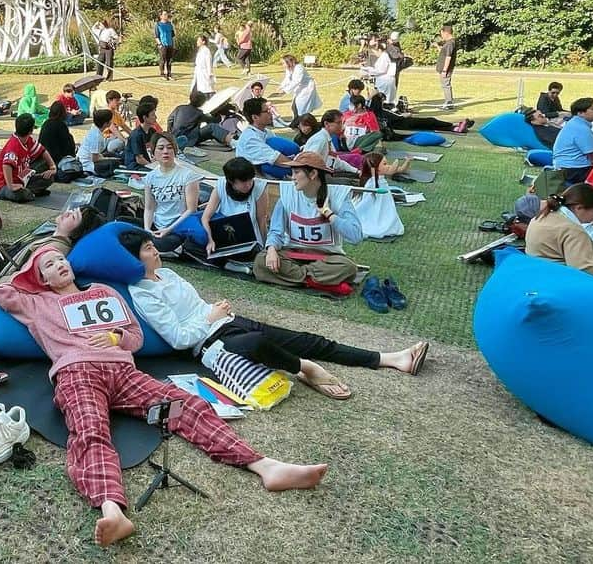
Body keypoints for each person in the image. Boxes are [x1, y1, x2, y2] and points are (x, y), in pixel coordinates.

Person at [0, 246, 328, 548]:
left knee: (188, 406)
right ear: (41, 278)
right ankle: (112, 509)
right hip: (77, 372)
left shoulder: (104, 291)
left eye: (62, 258)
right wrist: (41, 262)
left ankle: (265, 466)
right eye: (49, 264)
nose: (60, 264)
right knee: (90, 429)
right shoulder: (35, 303)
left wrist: (114, 336)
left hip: (124, 372)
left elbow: (135, 337)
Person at [124, 230, 430, 401]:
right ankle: (304, 369)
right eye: (149, 249)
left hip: (228, 322)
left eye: (153, 246)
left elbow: (196, 305)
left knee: (307, 339)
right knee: (258, 343)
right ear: (133, 259)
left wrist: (214, 310)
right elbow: (177, 338)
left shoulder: (168, 274)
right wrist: (208, 317)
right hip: (207, 343)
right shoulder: (142, 293)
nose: (156, 252)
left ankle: (389, 358)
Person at [253, 152, 362, 297]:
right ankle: (315, 282)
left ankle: (301, 279)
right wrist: (272, 250)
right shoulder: (287, 195)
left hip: (327, 258)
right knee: (261, 261)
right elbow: (275, 231)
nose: (292, 178)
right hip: (293, 254)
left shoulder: (338, 195)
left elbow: (356, 236)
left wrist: (329, 214)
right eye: (292, 172)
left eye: (297, 172)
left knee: (348, 268)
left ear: (313, 174)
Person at [194, 158, 277, 264]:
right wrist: (210, 239)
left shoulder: (259, 188)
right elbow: (205, 217)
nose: (248, 185)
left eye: (250, 180)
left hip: (249, 240)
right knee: (194, 244)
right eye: (243, 182)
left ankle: (230, 262)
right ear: (231, 182)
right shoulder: (221, 185)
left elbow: (261, 220)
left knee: (249, 255)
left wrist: (266, 247)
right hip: (224, 236)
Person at [526, 183, 593, 279]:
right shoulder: (573, 231)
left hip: (536, 275)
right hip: (557, 281)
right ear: (579, 207)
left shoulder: (541, 216)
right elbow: (584, 272)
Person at [143, 133, 202, 254]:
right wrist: (147, 229)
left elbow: (191, 210)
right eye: (161, 148)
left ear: (175, 151)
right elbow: (149, 208)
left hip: (178, 228)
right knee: (121, 224)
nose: (165, 151)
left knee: (163, 243)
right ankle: (149, 242)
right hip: (157, 226)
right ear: (153, 152)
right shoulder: (150, 177)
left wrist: (168, 229)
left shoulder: (188, 175)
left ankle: (150, 245)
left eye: (169, 148)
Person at [8, 205, 108, 269]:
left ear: (77, 232)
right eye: (73, 210)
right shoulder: (51, 233)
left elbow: (22, 276)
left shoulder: (53, 251)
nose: (68, 212)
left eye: (73, 217)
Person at [0, 113, 56, 202]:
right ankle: (30, 192)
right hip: (3, 185)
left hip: (22, 178)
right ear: (31, 130)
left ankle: (30, 191)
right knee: (20, 194)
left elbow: (43, 151)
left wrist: (52, 167)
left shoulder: (28, 140)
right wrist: (10, 185)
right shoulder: (13, 145)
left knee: (50, 177)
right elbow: (6, 165)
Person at [235, 97, 292, 180]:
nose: (271, 113)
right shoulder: (250, 138)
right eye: (266, 111)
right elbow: (277, 159)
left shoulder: (267, 132)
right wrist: (301, 166)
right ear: (255, 117)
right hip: (251, 179)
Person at [551, 97, 593, 185]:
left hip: (564, 167)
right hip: (574, 170)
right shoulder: (582, 129)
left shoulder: (574, 123)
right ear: (580, 113)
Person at [167, 90, 232, 149]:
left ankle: (226, 140)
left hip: (174, 136)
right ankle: (232, 141)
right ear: (202, 103)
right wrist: (219, 114)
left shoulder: (179, 108)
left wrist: (170, 134)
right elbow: (213, 120)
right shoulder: (198, 113)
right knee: (212, 127)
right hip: (190, 139)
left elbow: (169, 120)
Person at [302, 110, 362, 174]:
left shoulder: (327, 138)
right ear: (326, 124)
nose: (342, 126)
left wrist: (356, 171)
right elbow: (308, 161)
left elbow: (336, 162)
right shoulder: (320, 139)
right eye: (338, 123)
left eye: (341, 123)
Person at [278, 54, 321, 125]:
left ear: (289, 62)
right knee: (294, 107)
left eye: (283, 63)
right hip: (300, 89)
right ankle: (297, 122)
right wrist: (281, 86)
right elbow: (287, 79)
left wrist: (285, 90)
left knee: (302, 108)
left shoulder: (299, 68)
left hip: (306, 89)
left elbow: (296, 81)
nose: (283, 65)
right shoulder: (289, 69)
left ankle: (305, 123)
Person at [76, 110, 121, 176]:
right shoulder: (96, 136)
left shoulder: (95, 129)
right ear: (106, 123)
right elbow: (95, 159)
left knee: (112, 154)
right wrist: (108, 159)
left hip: (90, 158)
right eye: (110, 120)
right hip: (88, 164)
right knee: (115, 162)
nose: (112, 122)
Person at [38, 101, 77, 166]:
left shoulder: (46, 123)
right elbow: (67, 145)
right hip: (56, 158)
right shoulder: (60, 125)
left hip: (45, 156)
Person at [125, 101, 158, 170]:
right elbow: (139, 159)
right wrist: (153, 167)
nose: (156, 117)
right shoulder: (136, 135)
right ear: (145, 118)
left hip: (149, 162)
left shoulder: (152, 131)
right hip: (137, 166)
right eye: (153, 115)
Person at [436, 25, 457, 110]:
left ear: (446, 33)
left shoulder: (450, 43)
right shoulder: (448, 43)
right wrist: (437, 46)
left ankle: (449, 103)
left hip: (446, 69)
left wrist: (445, 70)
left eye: (442, 34)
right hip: (443, 68)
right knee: (444, 85)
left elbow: (448, 57)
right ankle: (448, 102)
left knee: (446, 85)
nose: (442, 36)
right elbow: (443, 53)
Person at [191, 35, 215, 100]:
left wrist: (209, 73)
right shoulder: (200, 50)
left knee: (206, 88)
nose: (197, 42)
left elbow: (208, 62)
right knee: (197, 87)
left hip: (204, 72)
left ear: (203, 42)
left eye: (199, 40)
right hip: (199, 72)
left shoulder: (206, 51)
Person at [154, 10, 176, 80]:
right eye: (164, 14)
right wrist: (160, 44)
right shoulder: (158, 25)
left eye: (166, 14)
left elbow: (173, 35)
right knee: (163, 60)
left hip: (170, 44)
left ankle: (169, 74)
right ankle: (162, 75)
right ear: (161, 16)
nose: (166, 15)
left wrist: (173, 44)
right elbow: (156, 36)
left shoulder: (170, 24)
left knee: (169, 61)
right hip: (162, 45)